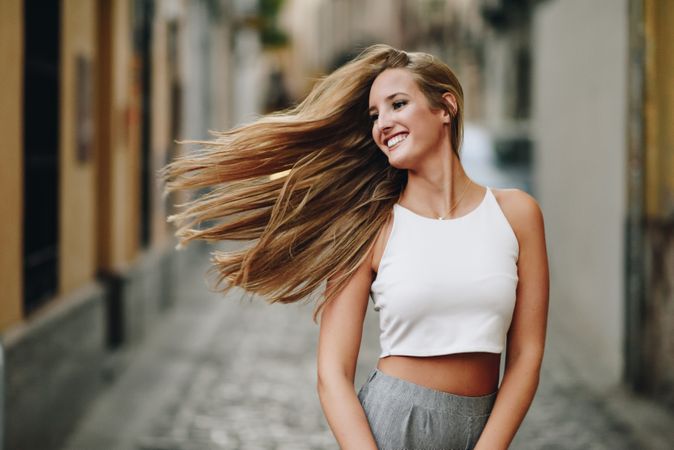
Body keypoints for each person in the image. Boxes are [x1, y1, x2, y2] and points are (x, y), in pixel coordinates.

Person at [161, 44, 549, 449]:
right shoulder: (369, 225)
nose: (383, 123)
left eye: (398, 104)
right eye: (375, 115)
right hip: (394, 427)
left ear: (445, 107)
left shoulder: (517, 215)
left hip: (484, 427)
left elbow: (527, 355)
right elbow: (332, 372)